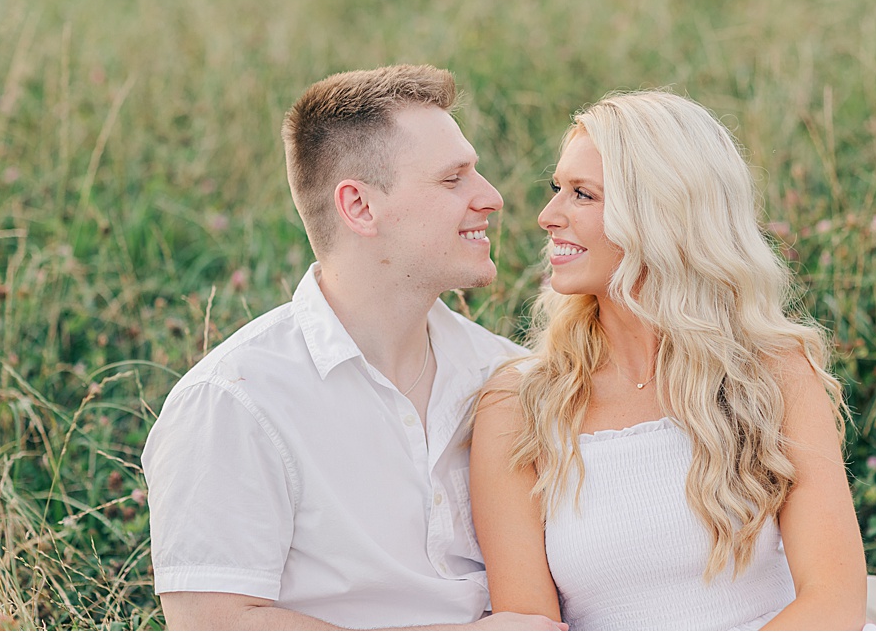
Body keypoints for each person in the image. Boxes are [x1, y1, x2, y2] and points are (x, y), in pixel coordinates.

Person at [470, 90, 876, 630]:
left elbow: (834, 603)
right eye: (556, 189)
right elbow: (528, 627)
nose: (547, 216)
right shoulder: (518, 403)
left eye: (582, 195)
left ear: (660, 213)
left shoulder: (772, 373)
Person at [141, 65, 561, 631]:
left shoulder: (508, 372)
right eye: (452, 179)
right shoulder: (234, 400)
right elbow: (210, 624)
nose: (491, 198)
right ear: (359, 206)